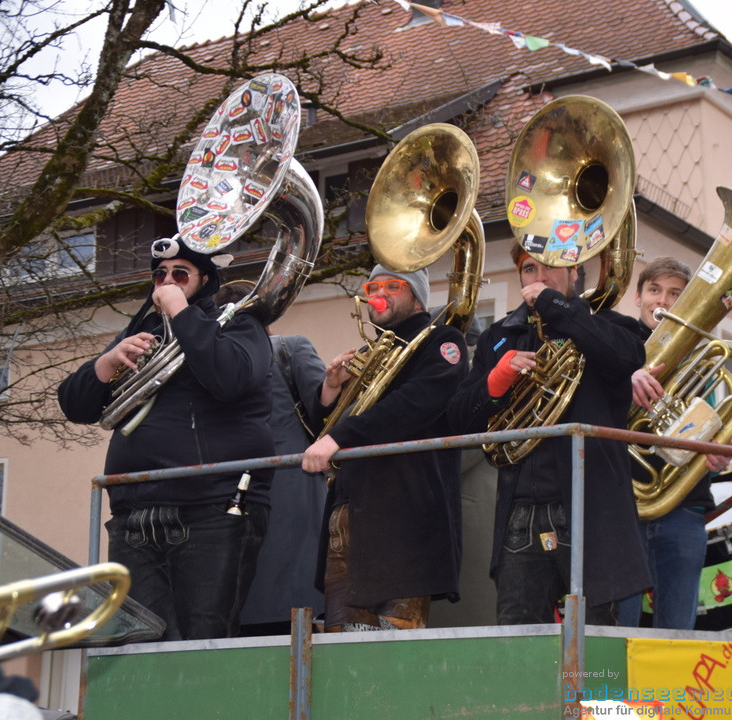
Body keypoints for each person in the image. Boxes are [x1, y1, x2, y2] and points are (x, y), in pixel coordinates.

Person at [58, 236, 274, 641]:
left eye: (180, 274)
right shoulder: (140, 331)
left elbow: (230, 379)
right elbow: (74, 407)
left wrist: (180, 311)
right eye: (160, 275)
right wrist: (105, 364)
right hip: (132, 512)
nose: (167, 282)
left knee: (203, 637)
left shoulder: (240, 323)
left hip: (212, 508)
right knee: (138, 640)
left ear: (205, 280)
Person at [447, 244, 649, 625]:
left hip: (588, 510)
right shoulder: (499, 336)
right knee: (519, 644)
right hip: (519, 512)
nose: (538, 278)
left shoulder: (607, 325)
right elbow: (458, 419)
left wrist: (556, 306)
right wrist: (495, 381)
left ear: (574, 271)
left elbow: (628, 357)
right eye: (528, 269)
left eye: (550, 268)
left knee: (594, 641)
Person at [301, 265, 466, 632]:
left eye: (394, 286)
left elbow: (416, 403)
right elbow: (321, 432)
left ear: (418, 296)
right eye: (373, 286)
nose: (380, 293)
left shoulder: (440, 340)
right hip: (348, 515)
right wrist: (330, 390)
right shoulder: (368, 351)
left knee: (395, 646)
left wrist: (342, 435)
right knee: (342, 642)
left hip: (405, 518)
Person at [213, 281, 330, 635]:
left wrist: (334, 386)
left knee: (288, 617)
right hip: (242, 506)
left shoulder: (289, 350)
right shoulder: (211, 366)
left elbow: (329, 416)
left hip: (290, 507)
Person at [619, 257, 714, 630]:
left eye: (675, 293)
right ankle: (609, 691)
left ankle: (672, 692)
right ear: (638, 297)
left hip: (683, 500)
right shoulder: (615, 341)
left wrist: (715, 446)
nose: (663, 300)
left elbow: (706, 417)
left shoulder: (702, 354)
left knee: (678, 628)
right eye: (655, 290)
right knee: (618, 625)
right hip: (625, 501)